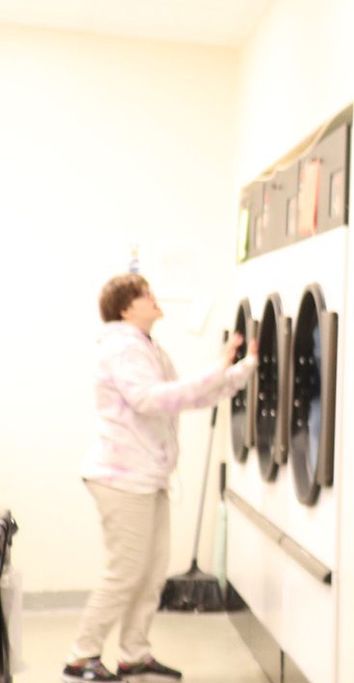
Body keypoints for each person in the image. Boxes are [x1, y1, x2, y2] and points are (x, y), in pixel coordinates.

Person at [63, 274, 256, 683]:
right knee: (125, 572)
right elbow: (149, 399)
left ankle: (134, 654)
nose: (155, 298)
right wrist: (219, 368)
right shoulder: (122, 348)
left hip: (148, 476)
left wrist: (240, 371)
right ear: (126, 308)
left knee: (151, 573)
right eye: (146, 295)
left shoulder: (149, 347)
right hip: (121, 478)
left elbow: (188, 397)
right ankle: (81, 658)